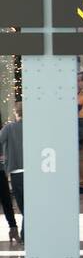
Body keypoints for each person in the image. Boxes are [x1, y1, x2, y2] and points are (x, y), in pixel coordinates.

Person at [0, 103, 24, 243]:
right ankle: (15, 229)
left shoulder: (9, 128)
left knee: (17, 204)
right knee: (7, 201)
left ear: (16, 112)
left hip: (14, 171)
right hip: (6, 169)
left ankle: (17, 230)